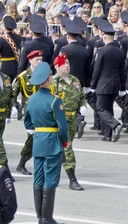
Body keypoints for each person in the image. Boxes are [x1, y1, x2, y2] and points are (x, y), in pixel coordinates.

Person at [24, 62, 69, 224]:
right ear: (48, 79)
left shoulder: (31, 99)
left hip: (38, 142)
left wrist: (37, 132)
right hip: (52, 142)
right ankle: (47, 218)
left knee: (38, 179)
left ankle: (40, 217)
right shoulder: (55, 100)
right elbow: (63, 127)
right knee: (50, 180)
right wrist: (64, 141)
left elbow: (28, 123)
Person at [53, 53, 86, 191]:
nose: (67, 66)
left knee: (61, 150)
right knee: (67, 148)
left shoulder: (75, 80)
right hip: (60, 120)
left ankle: (50, 175)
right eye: (63, 64)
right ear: (56, 67)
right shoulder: (53, 82)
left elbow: (81, 96)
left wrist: (83, 105)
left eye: (67, 63)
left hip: (73, 120)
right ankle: (72, 178)